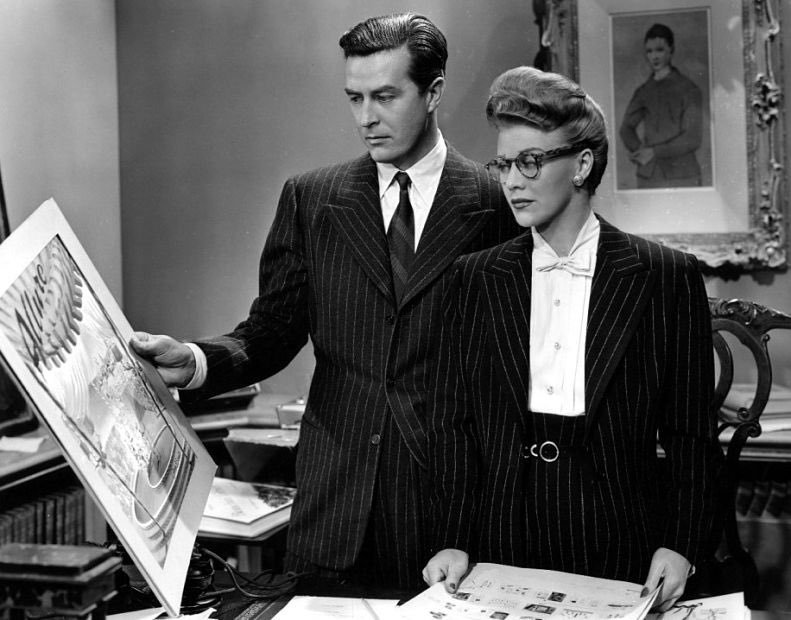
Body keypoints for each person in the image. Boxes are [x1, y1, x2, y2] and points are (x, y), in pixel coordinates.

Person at [130, 13, 520, 589]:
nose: (366, 118)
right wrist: (196, 361)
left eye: (385, 96)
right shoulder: (312, 199)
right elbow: (271, 331)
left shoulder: (497, 205)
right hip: (333, 511)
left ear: (434, 92)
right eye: (354, 98)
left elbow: (510, 375)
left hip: (449, 517)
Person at [423, 66, 721, 610]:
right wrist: (453, 536)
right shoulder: (475, 278)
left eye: (530, 162)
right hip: (500, 538)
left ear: (582, 164)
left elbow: (691, 435)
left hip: (623, 540)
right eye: (504, 164)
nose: (511, 182)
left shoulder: (663, 276)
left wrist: (681, 544)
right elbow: (452, 426)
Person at [619, 23, 703, 188]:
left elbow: (692, 138)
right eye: (649, 51)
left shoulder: (689, 89)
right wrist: (639, 151)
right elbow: (626, 129)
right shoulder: (643, 91)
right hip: (650, 176)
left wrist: (654, 152)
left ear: (671, 50)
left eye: (659, 50)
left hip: (683, 175)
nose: (654, 57)